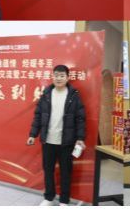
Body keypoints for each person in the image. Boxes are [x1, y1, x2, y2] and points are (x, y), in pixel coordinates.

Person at [26, 64, 86, 207]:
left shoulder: (74, 96)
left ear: (67, 78)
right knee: (48, 171)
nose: (58, 78)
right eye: (56, 75)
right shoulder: (46, 94)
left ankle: (64, 201)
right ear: (52, 77)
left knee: (66, 172)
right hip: (48, 141)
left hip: (66, 142)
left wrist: (80, 138)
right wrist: (33, 134)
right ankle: (49, 197)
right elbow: (38, 116)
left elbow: (80, 119)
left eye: (62, 76)